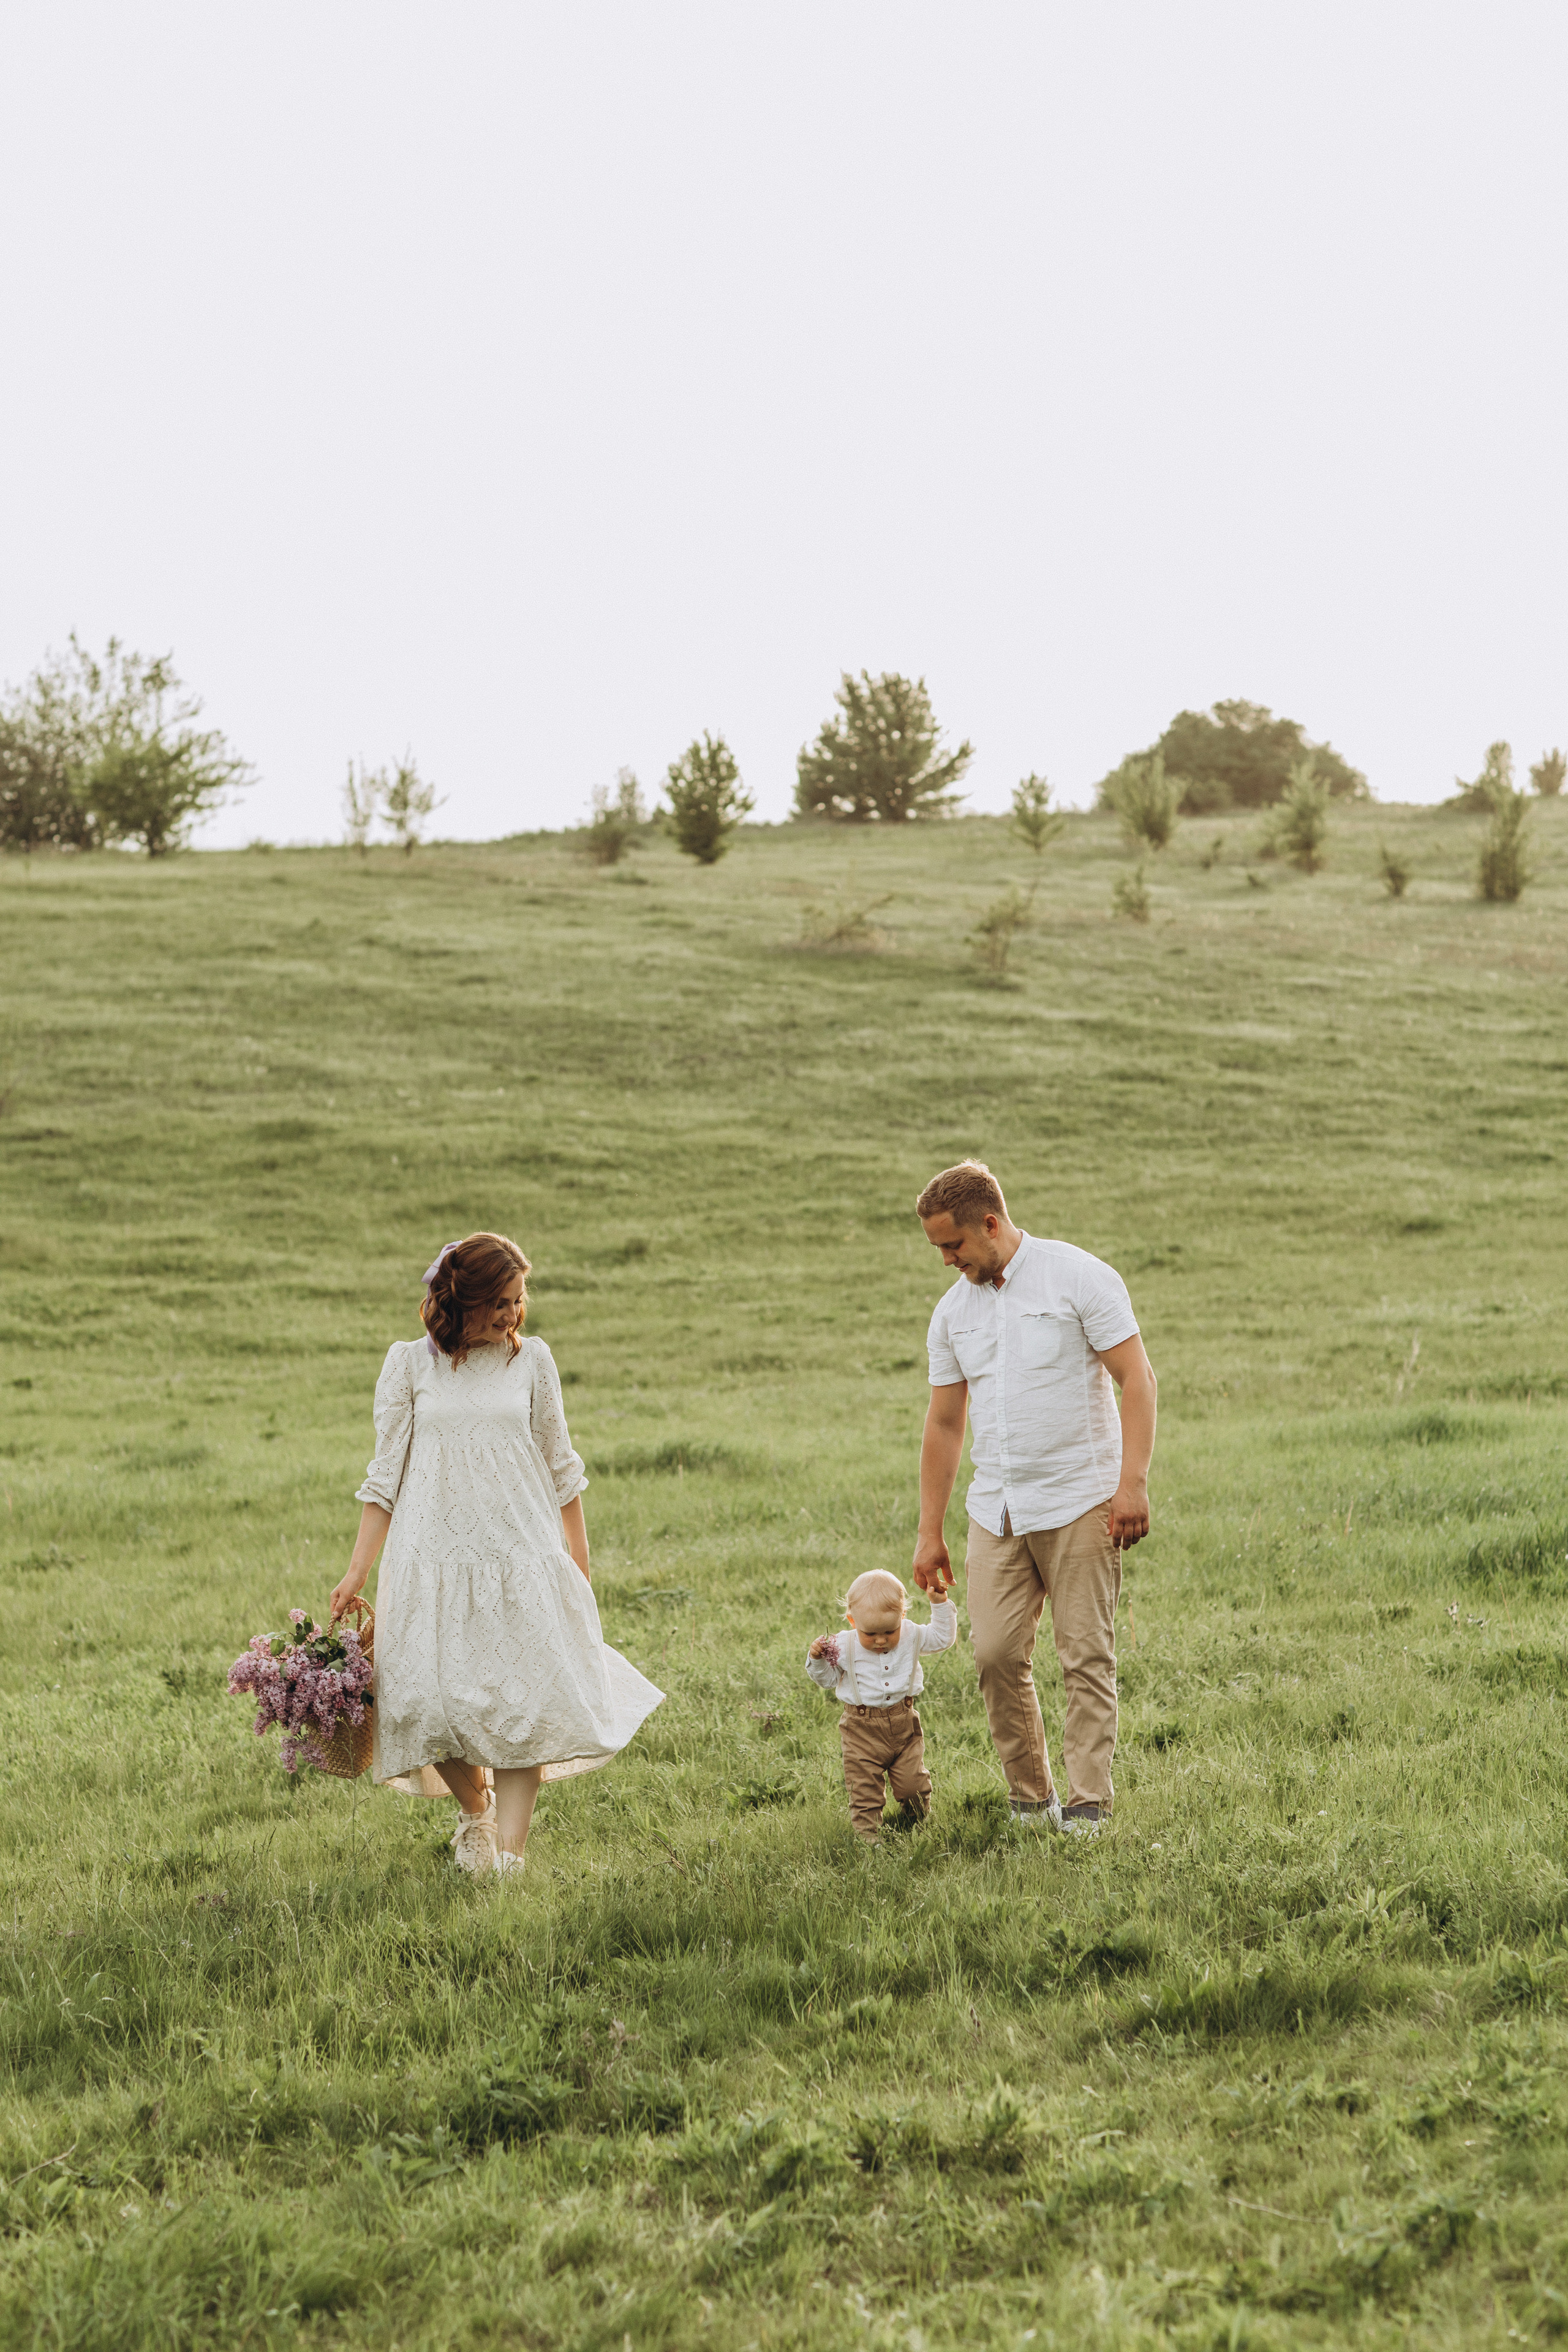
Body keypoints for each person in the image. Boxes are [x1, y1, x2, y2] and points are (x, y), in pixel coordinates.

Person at [328, 1231, 662, 1879]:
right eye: (501, 1301)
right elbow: (385, 1475)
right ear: (463, 1301)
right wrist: (356, 1570)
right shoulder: (408, 1366)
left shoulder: (531, 1362)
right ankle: (474, 1809)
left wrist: (578, 1564)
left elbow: (562, 1469)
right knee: (422, 1703)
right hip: (431, 1560)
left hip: (520, 1553)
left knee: (523, 1702)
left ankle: (510, 1861)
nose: (514, 1313)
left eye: (519, 1299)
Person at [910, 1161, 1156, 1834]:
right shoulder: (952, 1313)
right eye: (937, 1248)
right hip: (997, 1508)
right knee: (993, 1656)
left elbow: (1136, 1377)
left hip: (1081, 1498)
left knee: (1084, 1655)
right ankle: (1029, 1799)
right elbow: (943, 1422)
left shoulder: (1077, 1276)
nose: (945, 1260)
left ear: (989, 1224)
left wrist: (1130, 1481)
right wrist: (929, 1530)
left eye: (952, 1245)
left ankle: (1087, 1806)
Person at [806, 1569, 957, 1842]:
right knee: (864, 1789)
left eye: (890, 1631)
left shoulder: (911, 1635)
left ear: (902, 1617)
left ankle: (915, 1823)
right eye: (870, 1633)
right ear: (853, 1621)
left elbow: (942, 1638)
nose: (880, 1640)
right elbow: (828, 1681)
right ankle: (869, 1839)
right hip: (860, 1730)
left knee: (914, 1785)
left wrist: (939, 1604)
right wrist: (818, 1660)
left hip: (904, 1724)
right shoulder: (842, 1644)